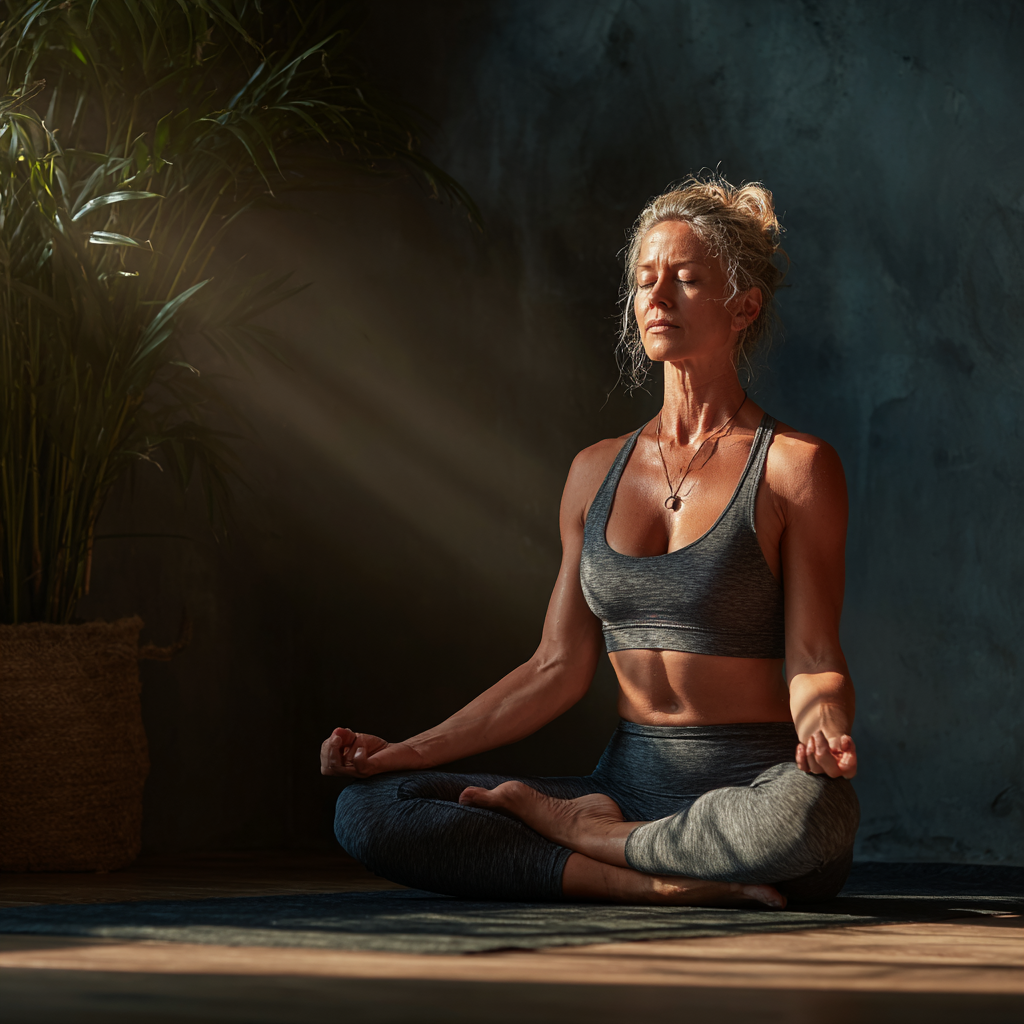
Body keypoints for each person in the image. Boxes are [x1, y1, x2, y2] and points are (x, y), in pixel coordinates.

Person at [321, 175, 859, 909]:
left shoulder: (796, 467)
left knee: (814, 817)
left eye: (686, 279)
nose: (657, 297)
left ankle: (587, 840)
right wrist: (399, 753)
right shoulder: (594, 470)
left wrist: (825, 727)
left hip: (744, 791)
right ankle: (649, 879)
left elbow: (816, 659)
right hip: (624, 783)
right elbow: (555, 666)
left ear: (743, 307)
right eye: (645, 280)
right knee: (372, 808)